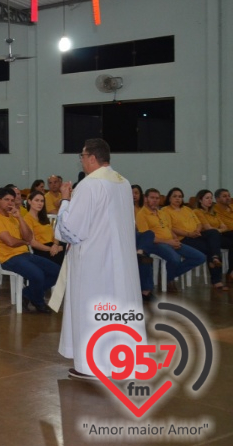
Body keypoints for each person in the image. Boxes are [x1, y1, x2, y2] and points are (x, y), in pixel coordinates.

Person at [55, 138, 146, 380]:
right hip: (120, 261)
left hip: (94, 262)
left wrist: (65, 200)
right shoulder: (123, 183)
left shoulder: (89, 185)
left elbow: (71, 231)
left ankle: (92, 366)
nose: (82, 161)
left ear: (92, 158)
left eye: (82, 157)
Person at [0, 188, 60, 314]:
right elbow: (10, 242)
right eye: (6, 200)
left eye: (12, 200)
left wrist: (20, 217)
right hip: (8, 257)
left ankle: (26, 294)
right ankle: (39, 302)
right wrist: (25, 242)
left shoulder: (14, 215)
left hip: (24, 254)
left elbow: (28, 237)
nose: (10, 203)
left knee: (56, 271)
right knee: (38, 275)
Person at [136, 188, 206, 292]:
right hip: (156, 243)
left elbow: (169, 229)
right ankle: (169, 279)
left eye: (157, 198)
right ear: (146, 199)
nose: (155, 200)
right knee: (175, 258)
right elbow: (146, 238)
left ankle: (169, 275)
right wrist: (168, 242)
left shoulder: (161, 212)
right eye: (152, 198)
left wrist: (175, 240)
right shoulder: (142, 215)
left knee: (200, 257)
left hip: (171, 241)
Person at [163, 187, 225, 289]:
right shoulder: (165, 210)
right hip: (183, 238)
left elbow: (198, 223)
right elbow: (171, 228)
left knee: (213, 233)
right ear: (169, 198)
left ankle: (214, 258)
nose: (178, 199)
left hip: (196, 235)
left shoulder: (187, 209)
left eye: (180, 197)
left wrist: (197, 230)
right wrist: (188, 234)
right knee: (213, 249)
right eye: (175, 196)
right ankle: (216, 279)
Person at [25, 190, 64, 265]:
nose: (40, 203)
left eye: (42, 201)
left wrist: (56, 245)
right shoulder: (27, 219)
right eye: (37, 200)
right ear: (29, 202)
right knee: (65, 258)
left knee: (70, 250)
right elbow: (33, 243)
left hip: (53, 246)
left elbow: (54, 234)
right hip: (41, 249)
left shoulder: (43, 217)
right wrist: (51, 249)